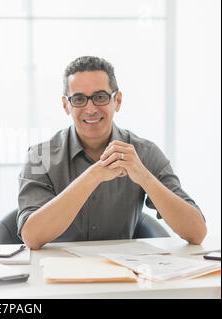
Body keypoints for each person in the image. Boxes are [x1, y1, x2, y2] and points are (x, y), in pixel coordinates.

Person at [17, 56, 206, 250]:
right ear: (67, 106)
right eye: (79, 99)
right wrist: (93, 175)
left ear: (118, 100)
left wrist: (144, 176)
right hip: (55, 273)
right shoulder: (40, 156)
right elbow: (32, 237)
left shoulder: (145, 152)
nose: (90, 109)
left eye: (100, 97)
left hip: (123, 273)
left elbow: (197, 233)